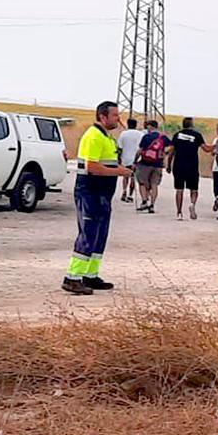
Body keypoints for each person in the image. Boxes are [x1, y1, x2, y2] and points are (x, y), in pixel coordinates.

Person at [61, 101, 132, 295]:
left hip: (103, 194)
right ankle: (72, 277)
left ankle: (90, 274)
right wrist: (119, 171)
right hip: (90, 192)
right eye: (115, 115)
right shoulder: (93, 136)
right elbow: (92, 167)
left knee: (100, 235)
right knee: (88, 233)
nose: (119, 119)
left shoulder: (107, 138)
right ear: (103, 116)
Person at [166, 116, 214, 221]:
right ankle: (192, 204)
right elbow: (206, 149)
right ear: (192, 125)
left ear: (183, 125)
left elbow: (171, 152)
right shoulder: (197, 135)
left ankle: (179, 212)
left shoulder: (177, 135)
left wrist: (169, 165)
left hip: (178, 165)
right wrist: (216, 145)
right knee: (194, 189)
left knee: (179, 189)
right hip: (192, 165)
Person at [134, 119, 169, 213]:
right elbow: (171, 147)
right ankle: (152, 205)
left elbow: (140, 151)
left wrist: (135, 161)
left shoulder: (146, 137)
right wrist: (165, 154)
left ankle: (144, 201)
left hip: (145, 163)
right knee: (154, 185)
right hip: (158, 164)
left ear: (150, 126)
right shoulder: (163, 137)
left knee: (142, 183)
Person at [116, 118, 144, 204]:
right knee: (133, 177)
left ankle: (124, 191)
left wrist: (118, 158)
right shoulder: (140, 134)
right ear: (135, 125)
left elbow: (119, 148)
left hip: (125, 158)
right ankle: (130, 195)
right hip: (137, 159)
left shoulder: (123, 134)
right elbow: (142, 147)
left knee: (125, 176)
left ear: (128, 124)